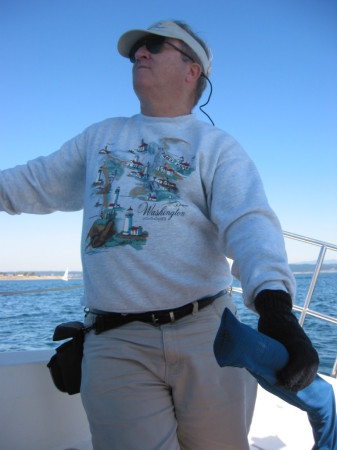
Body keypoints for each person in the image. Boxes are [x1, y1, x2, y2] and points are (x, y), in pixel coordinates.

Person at [0, 20, 319, 450]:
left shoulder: (217, 147)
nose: (139, 54)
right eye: (136, 51)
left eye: (153, 46)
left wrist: (275, 307)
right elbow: (31, 183)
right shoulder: (100, 138)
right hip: (116, 342)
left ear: (193, 71)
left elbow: (249, 223)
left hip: (209, 336)